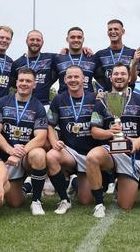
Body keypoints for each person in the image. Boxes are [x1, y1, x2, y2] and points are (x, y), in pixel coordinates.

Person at [86, 63, 140, 217]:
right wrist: (109, 132)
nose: (119, 77)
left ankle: (120, 183)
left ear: (129, 77)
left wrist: (139, 140)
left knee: (126, 205)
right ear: (110, 77)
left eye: (123, 74)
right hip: (109, 151)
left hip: (130, 154)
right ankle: (99, 204)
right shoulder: (102, 101)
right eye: (116, 74)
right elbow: (94, 132)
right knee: (92, 156)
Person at [0, 67, 49, 215]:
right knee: (14, 203)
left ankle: (36, 201)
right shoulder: (2, 102)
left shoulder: (38, 107)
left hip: (24, 156)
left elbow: (41, 137)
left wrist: (19, 153)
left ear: (34, 84)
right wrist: (10, 150)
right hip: (5, 155)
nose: (24, 83)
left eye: (28, 81)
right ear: (16, 82)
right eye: (21, 80)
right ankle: (27, 185)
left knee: (39, 154)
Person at [46, 66, 97, 214]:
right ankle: (64, 200)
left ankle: (74, 182)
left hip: (90, 155)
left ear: (84, 79)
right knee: (51, 156)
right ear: (65, 80)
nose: (73, 80)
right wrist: (54, 142)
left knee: (85, 201)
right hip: (70, 153)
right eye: (70, 77)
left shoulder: (94, 98)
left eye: (76, 77)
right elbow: (50, 125)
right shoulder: (58, 99)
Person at [10, 30, 57, 108]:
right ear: (26, 41)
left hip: (43, 105)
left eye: (38, 40)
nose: (35, 42)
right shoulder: (16, 64)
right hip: (21, 105)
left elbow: (69, 56)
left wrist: (83, 49)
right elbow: (13, 84)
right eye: (32, 39)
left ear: (42, 42)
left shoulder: (50, 58)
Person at [93, 19, 136, 91]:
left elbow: (133, 79)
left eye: (116, 29)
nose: (113, 32)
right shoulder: (99, 55)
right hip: (107, 97)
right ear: (107, 33)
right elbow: (96, 77)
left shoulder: (132, 53)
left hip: (128, 96)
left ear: (123, 32)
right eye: (110, 29)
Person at [54, 27, 96, 94]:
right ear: (67, 39)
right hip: (64, 102)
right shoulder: (58, 59)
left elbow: (101, 79)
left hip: (88, 102)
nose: (76, 40)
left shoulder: (92, 58)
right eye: (72, 37)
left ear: (83, 39)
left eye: (79, 37)